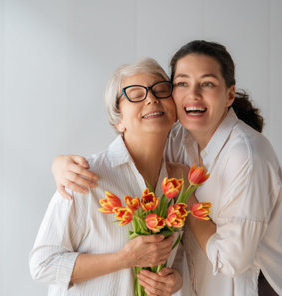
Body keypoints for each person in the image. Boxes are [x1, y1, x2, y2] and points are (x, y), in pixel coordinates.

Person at [51, 40, 282, 296]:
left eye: (207, 83)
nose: (193, 94)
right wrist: (59, 164)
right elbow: (129, 149)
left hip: (254, 288)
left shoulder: (247, 154)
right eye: (182, 83)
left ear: (229, 94)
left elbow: (231, 260)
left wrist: (188, 197)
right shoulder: (175, 140)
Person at [29, 58, 191, 296]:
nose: (151, 98)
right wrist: (124, 258)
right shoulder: (85, 177)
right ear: (118, 120)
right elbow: (42, 265)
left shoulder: (178, 183)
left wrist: (175, 280)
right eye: (135, 94)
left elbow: (177, 254)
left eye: (161, 90)